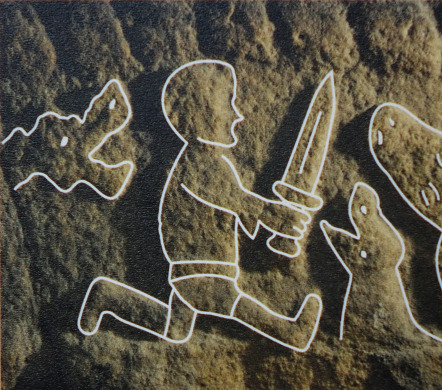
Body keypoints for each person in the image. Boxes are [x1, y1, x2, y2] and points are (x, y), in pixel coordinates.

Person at [78, 60, 322, 352]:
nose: (238, 115)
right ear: (199, 112)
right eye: (228, 104)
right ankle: (289, 332)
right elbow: (236, 201)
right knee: (231, 303)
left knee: (175, 327)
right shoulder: (203, 161)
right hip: (203, 268)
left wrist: (272, 222)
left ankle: (108, 296)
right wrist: (274, 215)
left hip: (195, 265)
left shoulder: (207, 160)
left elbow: (234, 210)